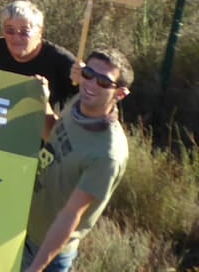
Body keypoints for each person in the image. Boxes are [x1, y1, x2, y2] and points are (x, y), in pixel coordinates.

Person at [22, 47, 132, 272]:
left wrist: (36, 267)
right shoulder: (79, 104)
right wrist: (43, 102)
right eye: (89, 74)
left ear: (120, 94)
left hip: (45, 254)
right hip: (23, 229)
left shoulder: (107, 154)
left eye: (103, 82)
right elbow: (53, 134)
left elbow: (71, 215)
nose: (91, 84)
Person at [0, 0, 78, 109]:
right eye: (10, 31)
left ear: (40, 31)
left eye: (25, 32)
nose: (16, 38)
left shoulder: (62, 63)